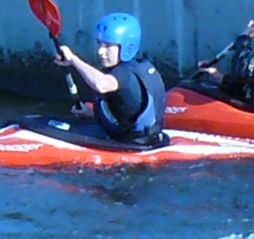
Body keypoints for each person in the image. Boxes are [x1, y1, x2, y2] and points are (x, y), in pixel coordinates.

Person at [48, 10, 168, 150]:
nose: (100, 51)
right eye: (99, 44)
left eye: (108, 46)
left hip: (130, 144)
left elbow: (101, 84)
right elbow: (129, 110)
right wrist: (91, 114)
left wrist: (73, 60)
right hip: (151, 139)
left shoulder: (123, 74)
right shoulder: (141, 66)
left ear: (126, 46)